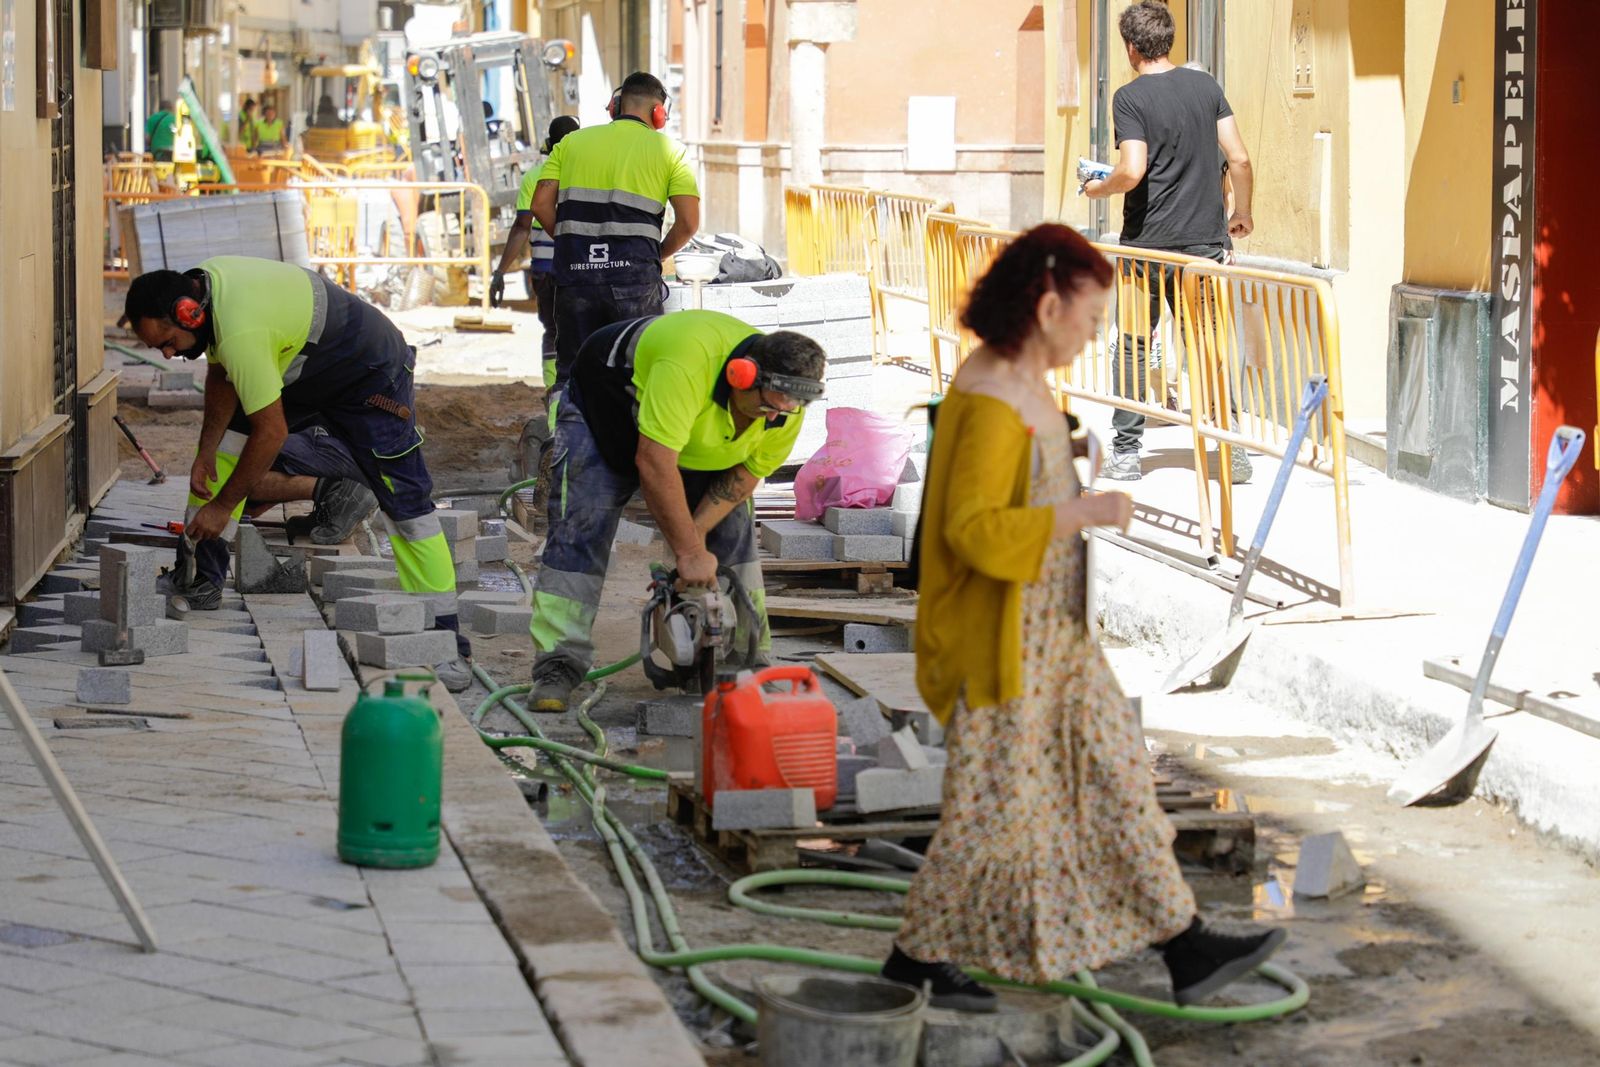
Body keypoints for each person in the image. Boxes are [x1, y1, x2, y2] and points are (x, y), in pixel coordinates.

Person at [883, 224, 1285, 1012]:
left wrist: (1067, 457)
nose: (1096, 331)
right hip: (1001, 648)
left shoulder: (1023, 381)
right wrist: (1082, 509)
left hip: (1056, 640)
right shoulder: (993, 394)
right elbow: (971, 529)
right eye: (1090, 316)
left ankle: (1184, 943)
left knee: (1119, 779)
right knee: (989, 813)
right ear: (1046, 304)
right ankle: (915, 958)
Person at [124, 256, 472, 690]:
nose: (170, 353)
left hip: (370, 373)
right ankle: (197, 578)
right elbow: (221, 372)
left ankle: (445, 641)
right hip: (306, 368)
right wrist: (207, 450)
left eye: (168, 342)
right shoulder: (206, 293)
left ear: (187, 313)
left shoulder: (239, 330)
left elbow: (271, 435)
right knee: (225, 451)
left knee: (405, 504)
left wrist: (225, 506)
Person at [523, 310, 825, 712]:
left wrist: (696, 538)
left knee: (732, 536)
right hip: (606, 414)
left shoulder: (784, 406)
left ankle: (746, 661)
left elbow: (746, 474)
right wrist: (686, 553)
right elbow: (654, 461)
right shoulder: (686, 363)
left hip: (694, 435)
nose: (777, 416)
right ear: (741, 375)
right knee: (583, 524)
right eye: (769, 405)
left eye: (787, 409)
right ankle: (558, 665)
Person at [1084, 0, 1254, 483]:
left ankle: (1127, 453)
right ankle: (1233, 451)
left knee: (1135, 346)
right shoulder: (1206, 86)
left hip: (1147, 248)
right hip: (1204, 245)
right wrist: (1242, 213)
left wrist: (1100, 186)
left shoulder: (1129, 98)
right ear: (1169, 41)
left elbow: (1132, 170)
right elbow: (1238, 158)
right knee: (1209, 344)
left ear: (1131, 47)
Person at [528, 72, 699, 401]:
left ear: (616, 108)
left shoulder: (571, 143)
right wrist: (656, 254)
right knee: (635, 375)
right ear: (658, 114)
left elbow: (539, 204)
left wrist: (568, 241)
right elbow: (689, 223)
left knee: (573, 373)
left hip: (575, 277)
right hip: (634, 282)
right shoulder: (669, 151)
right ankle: (624, 450)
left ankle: (564, 446)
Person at [491, 116, 582, 390]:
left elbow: (521, 228)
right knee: (582, 332)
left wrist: (499, 272)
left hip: (546, 271)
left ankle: (553, 404)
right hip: (582, 268)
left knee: (553, 333)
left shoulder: (535, 177)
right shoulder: (589, 174)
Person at [243, 425, 379, 544]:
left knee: (235, 482)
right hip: (372, 451)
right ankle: (330, 506)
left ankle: (336, 492)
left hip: (345, 450)